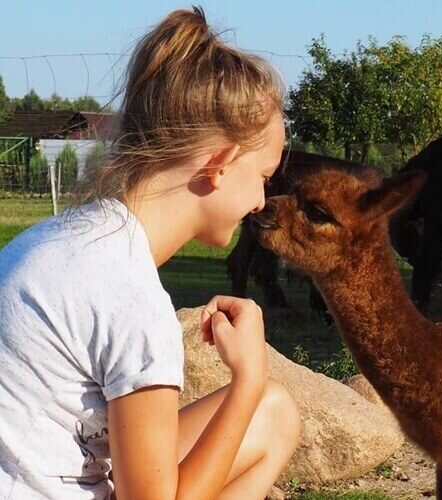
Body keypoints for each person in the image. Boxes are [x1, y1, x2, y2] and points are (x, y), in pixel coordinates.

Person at [0, 7, 301, 500]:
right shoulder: (131, 296)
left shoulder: (63, 237)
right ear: (221, 165)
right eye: (264, 178)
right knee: (260, 401)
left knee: (275, 414)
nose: (262, 202)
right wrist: (247, 378)